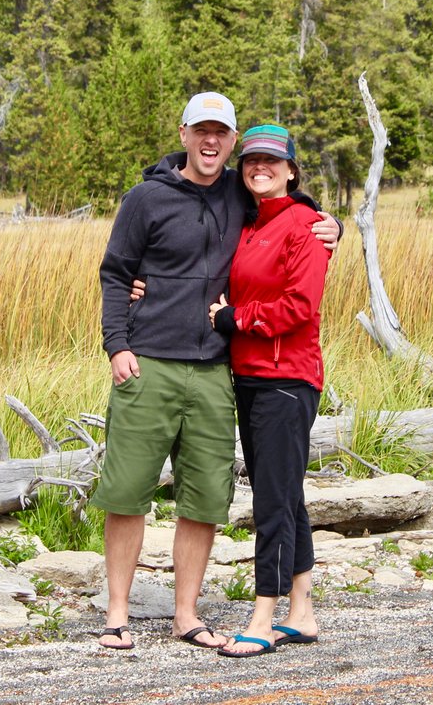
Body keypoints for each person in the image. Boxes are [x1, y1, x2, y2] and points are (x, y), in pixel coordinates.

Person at [93, 93, 339, 651]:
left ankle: (186, 616)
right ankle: (116, 614)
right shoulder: (146, 198)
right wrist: (116, 345)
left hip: (215, 370)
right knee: (128, 491)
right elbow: (115, 273)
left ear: (229, 142)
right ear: (183, 133)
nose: (211, 142)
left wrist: (335, 226)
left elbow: (297, 209)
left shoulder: (240, 191)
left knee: (205, 497)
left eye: (221, 134)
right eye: (201, 130)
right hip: (148, 361)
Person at [209, 124, 328, 658]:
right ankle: (301, 613)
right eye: (253, 160)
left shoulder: (305, 227)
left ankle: (263, 614)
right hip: (251, 377)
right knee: (285, 493)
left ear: (291, 170)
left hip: (287, 378)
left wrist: (235, 318)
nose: (261, 168)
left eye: (272, 162)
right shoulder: (251, 222)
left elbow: (299, 307)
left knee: (273, 501)